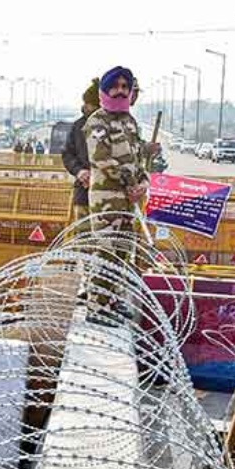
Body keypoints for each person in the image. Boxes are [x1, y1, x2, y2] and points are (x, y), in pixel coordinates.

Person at [84, 65, 160, 326]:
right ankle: (96, 307)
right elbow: (100, 159)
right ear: (105, 91)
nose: (120, 91)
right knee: (106, 251)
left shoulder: (129, 122)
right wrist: (129, 182)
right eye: (114, 86)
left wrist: (143, 182)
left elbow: (138, 159)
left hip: (129, 198)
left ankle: (112, 301)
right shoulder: (97, 121)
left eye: (125, 87)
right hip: (107, 197)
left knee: (123, 252)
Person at [62, 79, 99, 223]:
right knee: (82, 237)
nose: (84, 107)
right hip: (83, 195)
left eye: (89, 103)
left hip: (110, 199)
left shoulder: (117, 126)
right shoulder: (78, 126)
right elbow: (67, 154)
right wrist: (79, 171)